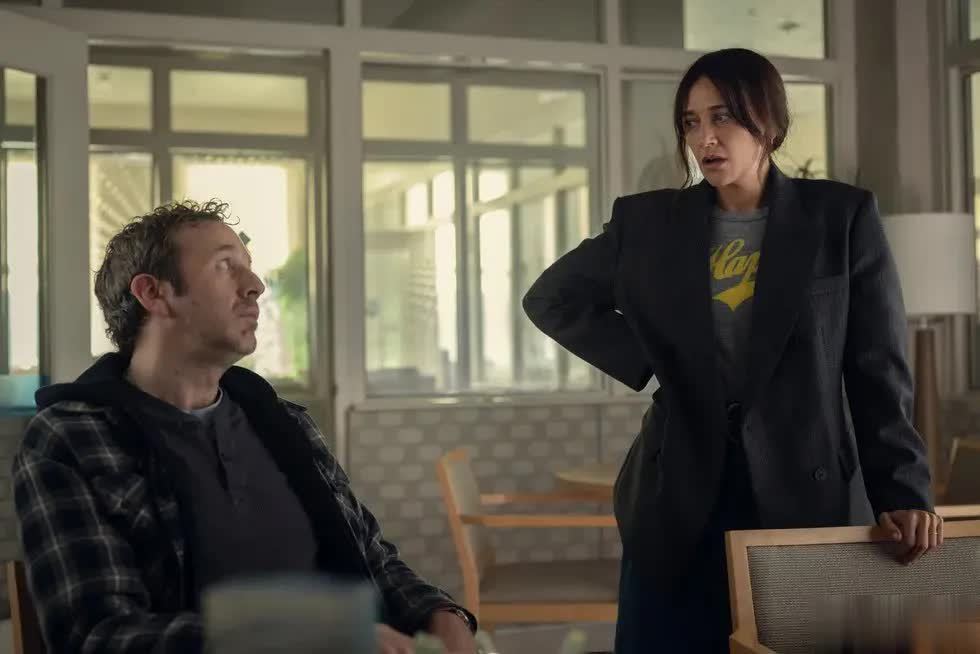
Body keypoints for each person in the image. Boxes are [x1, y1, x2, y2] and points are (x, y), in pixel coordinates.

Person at [523, 48, 940, 653]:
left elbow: (878, 369)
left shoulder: (839, 217)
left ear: (767, 122)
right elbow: (550, 298)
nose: (705, 138)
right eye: (691, 122)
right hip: (679, 491)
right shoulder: (648, 223)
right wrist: (654, 359)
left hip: (803, 488)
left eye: (722, 117)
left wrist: (902, 490)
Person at [13, 200, 477, 654]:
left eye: (249, 267)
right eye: (225, 266)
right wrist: (303, 638)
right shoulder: (70, 439)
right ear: (153, 293)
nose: (255, 286)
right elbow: (97, 635)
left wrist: (440, 614)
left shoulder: (285, 423)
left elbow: (374, 559)